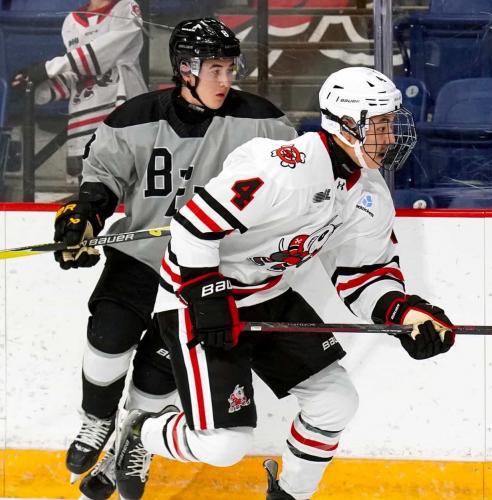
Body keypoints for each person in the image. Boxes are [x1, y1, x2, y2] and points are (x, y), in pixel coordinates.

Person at [115, 66, 455, 500]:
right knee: (223, 445)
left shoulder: (369, 194)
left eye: (391, 125)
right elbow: (192, 228)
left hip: (269, 294)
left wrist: (402, 313)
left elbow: (363, 273)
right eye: (381, 125)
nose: (390, 138)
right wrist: (206, 298)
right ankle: (142, 430)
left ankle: (289, 494)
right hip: (196, 296)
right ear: (346, 124)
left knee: (335, 402)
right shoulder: (280, 169)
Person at [52, 17, 298, 500]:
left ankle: (131, 440)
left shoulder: (265, 122)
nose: (226, 80)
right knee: (108, 337)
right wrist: (85, 216)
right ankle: (97, 419)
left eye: (231, 69)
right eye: (215, 69)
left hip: (206, 273)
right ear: (186, 70)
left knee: (158, 371)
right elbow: (103, 176)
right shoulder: (134, 117)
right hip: (142, 259)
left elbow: (291, 185)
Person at [11, 0, 147, 185]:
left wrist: (47, 69)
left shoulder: (127, 7)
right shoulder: (71, 21)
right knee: (92, 195)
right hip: (82, 127)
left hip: (122, 117)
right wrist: (37, 89)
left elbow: (99, 57)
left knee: (126, 192)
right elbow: (77, 72)